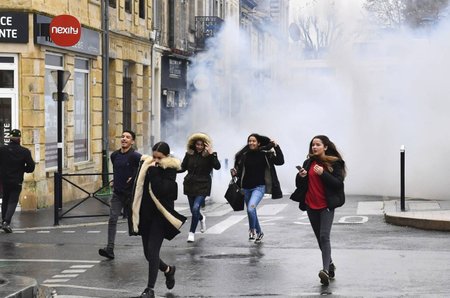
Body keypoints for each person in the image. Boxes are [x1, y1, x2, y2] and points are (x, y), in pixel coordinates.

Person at [130, 142, 186, 298]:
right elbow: (139, 187)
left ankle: (150, 289)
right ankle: (169, 270)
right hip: (145, 215)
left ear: (166, 157)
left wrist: (154, 171)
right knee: (148, 255)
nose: (155, 160)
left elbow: (161, 190)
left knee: (153, 251)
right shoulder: (146, 166)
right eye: (153, 156)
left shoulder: (170, 170)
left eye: (159, 157)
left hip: (161, 216)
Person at [295, 135, 346, 286]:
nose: (314, 147)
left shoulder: (335, 163)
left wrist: (323, 174)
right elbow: (299, 185)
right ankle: (330, 264)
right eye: (312, 145)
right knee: (319, 238)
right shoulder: (308, 162)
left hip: (326, 205)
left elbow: (338, 184)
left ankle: (325, 271)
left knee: (324, 237)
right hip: (311, 205)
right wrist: (301, 176)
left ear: (325, 147)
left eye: (317, 144)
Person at [231, 133, 284, 243]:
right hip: (245, 188)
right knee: (252, 211)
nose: (251, 143)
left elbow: (280, 161)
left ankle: (252, 230)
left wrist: (276, 147)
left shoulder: (265, 154)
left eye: (253, 141)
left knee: (251, 208)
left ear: (258, 143)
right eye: (249, 141)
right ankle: (260, 233)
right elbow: (240, 171)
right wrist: (235, 173)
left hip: (259, 188)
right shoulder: (244, 155)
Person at [99, 130, 141, 259]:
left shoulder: (135, 156)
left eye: (127, 137)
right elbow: (118, 170)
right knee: (113, 219)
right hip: (118, 194)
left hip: (131, 195)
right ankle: (110, 248)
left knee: (138, 223)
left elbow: (142, 170)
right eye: (122, 136)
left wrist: (133, 178)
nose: (124, 139)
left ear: (132, 141)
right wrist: (115, 180)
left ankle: (151, 245)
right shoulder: (115, 155)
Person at [179, 132, 221, 242]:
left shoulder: (210, 155)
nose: (199, 147)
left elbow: (217, 167)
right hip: (190, 185)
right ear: (194, 144)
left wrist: (212, 153)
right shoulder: (189, 154)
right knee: (194, 211)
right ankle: (202, 218)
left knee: (195, 208)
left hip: (203, 185)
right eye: (197, 144)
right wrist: (169, 167)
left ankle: (191, 233)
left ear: (205, 145)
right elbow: (183, 168)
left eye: (202, 145)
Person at [0, 129, 35, 233]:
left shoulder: (2, 149)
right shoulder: (24, 152)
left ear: (10, 138)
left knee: (5, 199)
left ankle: (3, 221)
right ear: (19, 139)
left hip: (4, 179)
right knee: (13, 201)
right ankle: (6, 222)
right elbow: (31, 167)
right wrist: (22, 169)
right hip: (17, 180)